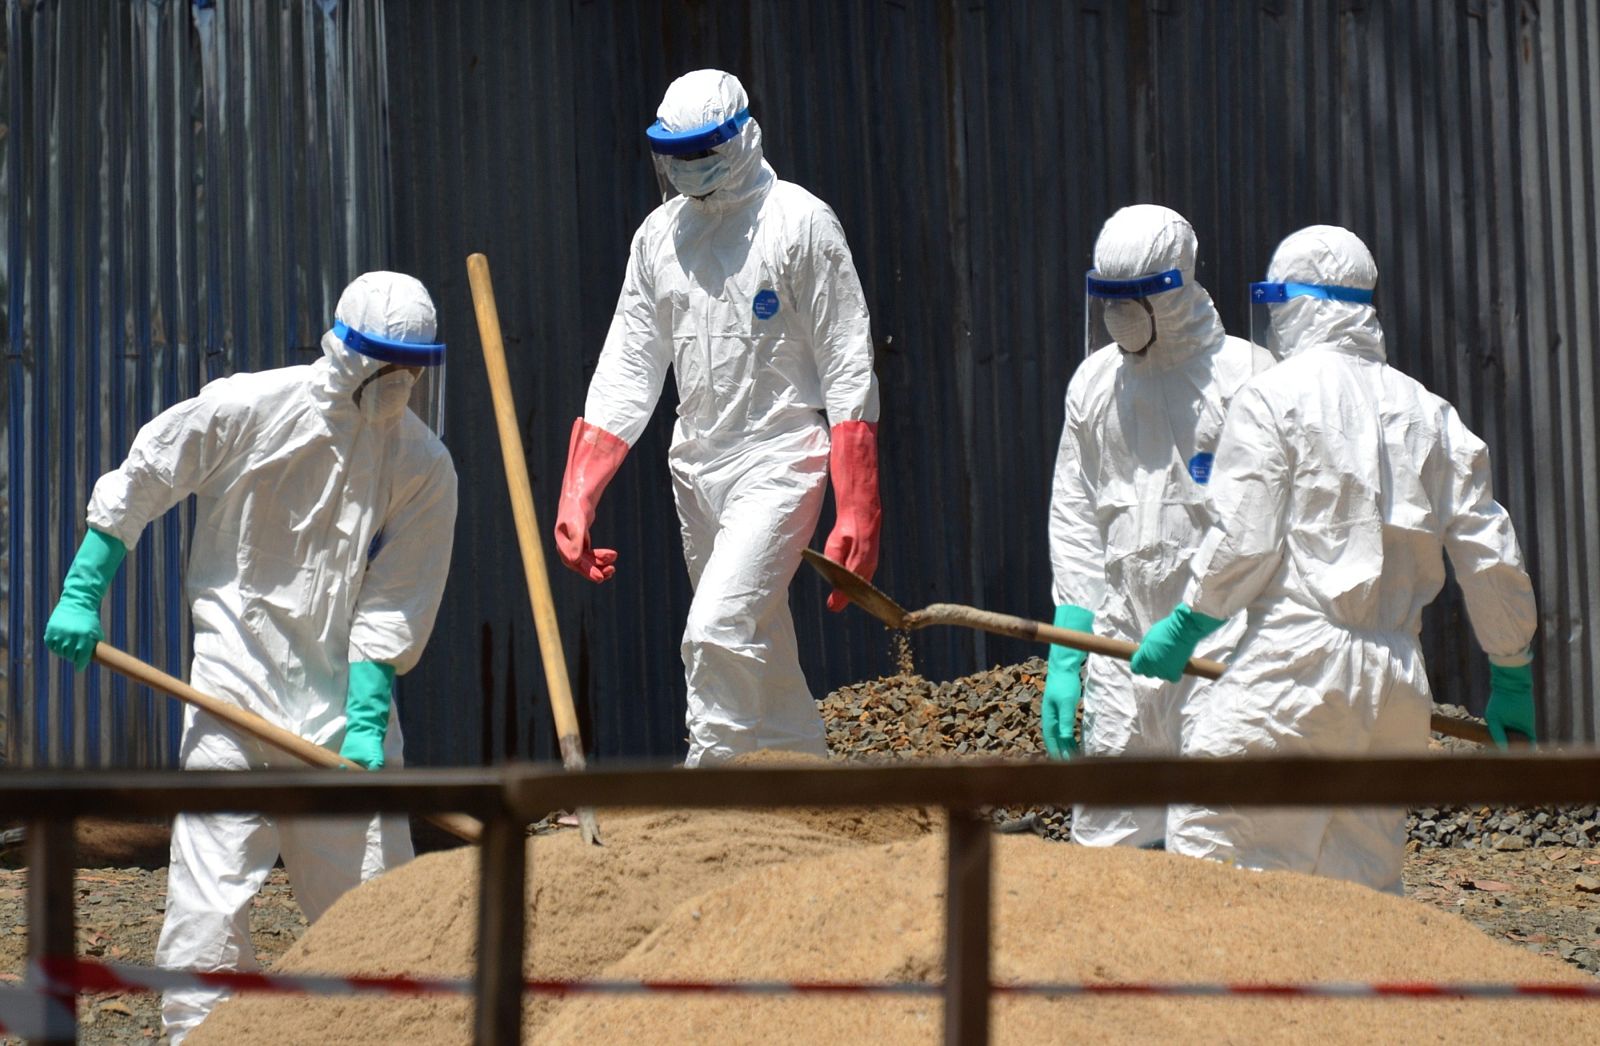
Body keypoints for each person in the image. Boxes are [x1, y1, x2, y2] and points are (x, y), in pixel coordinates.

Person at [42, 271, 458, 1041]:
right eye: (385, 364)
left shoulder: (423, 464)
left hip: (340, 723)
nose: (397, 384)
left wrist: (369, 719)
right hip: (230, 700)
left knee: (380, 914)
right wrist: (83, 587)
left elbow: (396, 597)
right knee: (207, 911)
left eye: (411, 369)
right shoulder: (251, 408)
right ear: (345, 350)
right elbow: (151, 470)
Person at [1130, 225, 1538, 893]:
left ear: (1298, 302)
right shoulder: (1428, 411)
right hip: (1394, 686)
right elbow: (1489, 551)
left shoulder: (1273, 396)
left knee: (1219, 851)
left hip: (1295, 670)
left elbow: (1243, 539)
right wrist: (1511, 669)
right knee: (1360, 888)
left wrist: (1189, 621)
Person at [554, 68, 881, 767]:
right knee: (758, 641)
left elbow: (848, 363)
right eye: (676, 155)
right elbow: (629, 366)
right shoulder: (659, 237)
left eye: (702, 152)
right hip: (696, 468)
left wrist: (857, 503)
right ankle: (810, 786)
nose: (688, 169)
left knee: (715, 631)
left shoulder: (800, 223)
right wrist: (580, 491)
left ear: (741, 138)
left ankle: (709, 795)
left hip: (779, 458)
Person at [1044, 205, 1271, 849]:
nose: (1119, 315)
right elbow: (1077, 514)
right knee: (1109, 844)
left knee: (1216, 840)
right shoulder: (1095, 383)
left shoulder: (1248, 378)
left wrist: (1198, 620)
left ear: (1175, 289)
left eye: (1137, 298)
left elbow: (1262, 526)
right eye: (1109, 298)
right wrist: (1070, 642)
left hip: (1221, 642)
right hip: (1122, 642)